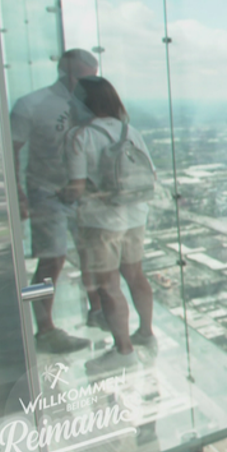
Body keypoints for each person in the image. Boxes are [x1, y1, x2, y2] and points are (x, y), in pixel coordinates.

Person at [62, 76, 156, 376]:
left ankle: (123, 350)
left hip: (101, 222)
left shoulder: (79, 136)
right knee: (135, 274)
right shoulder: (130, 131)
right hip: (135, 216)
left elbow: (76, 188)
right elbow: (149, 173)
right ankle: (145, 332)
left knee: (108, 286)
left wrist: (57, 194)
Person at [10, 48, 99, 353]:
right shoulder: (32, 105)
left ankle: (97, 310)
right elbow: (12, 150)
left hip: (81, 191)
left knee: (90, 252)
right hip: (45, 193)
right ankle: (44, 329)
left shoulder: (87, 104)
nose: (93, 84)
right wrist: (19, 194)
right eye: (87, 78)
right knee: (51, 261)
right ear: (68, 74)